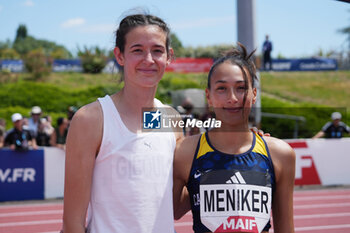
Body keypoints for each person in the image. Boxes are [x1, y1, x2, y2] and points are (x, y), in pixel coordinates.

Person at [62, 13, 182, 233]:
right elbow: (72, 223)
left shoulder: (169, 119)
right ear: (119, 56)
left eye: (157, 50)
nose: (149, 59)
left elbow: (175, 203)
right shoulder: (92, 119)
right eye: (137, 50)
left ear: (169, 56)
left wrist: (242, 147)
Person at [173, 43, 295, 233]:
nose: (232, 98)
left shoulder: (280, 154)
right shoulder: (184, 153)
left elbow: (286, 228)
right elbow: (170, 211)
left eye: (241, 88)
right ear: (209, 97)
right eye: (221, 89)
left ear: (254, 94)